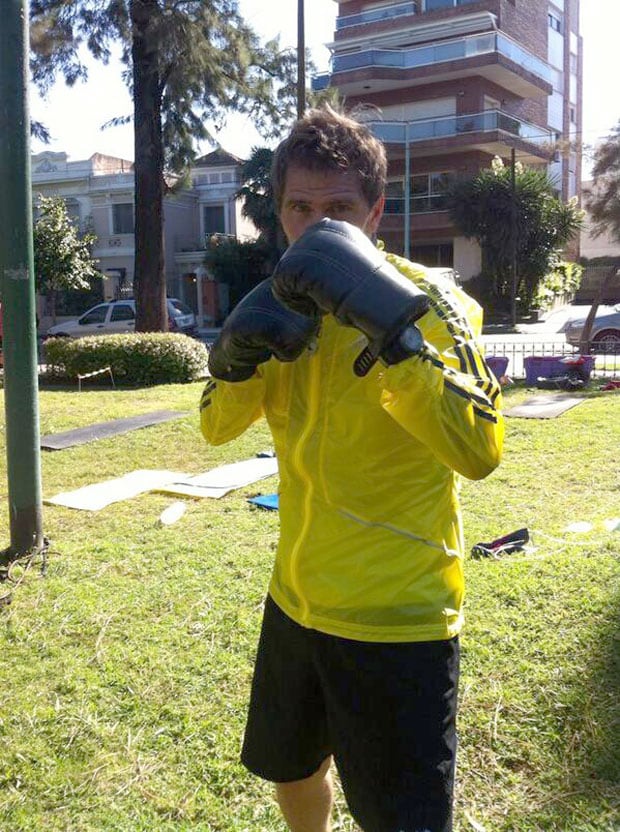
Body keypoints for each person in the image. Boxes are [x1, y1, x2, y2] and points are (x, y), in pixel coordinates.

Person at [200, 105, 504, 832]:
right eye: (300, 208)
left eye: (337, 207)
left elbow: (480, 449)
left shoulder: (436, 305)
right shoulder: (275, 303)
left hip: (397, 620)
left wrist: (397, 337)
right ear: (279, 214)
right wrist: (236, 358)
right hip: (296, 601)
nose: (316, 224)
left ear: (375, 211)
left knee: (401, 821)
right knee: (293, 773)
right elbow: (214, 429)